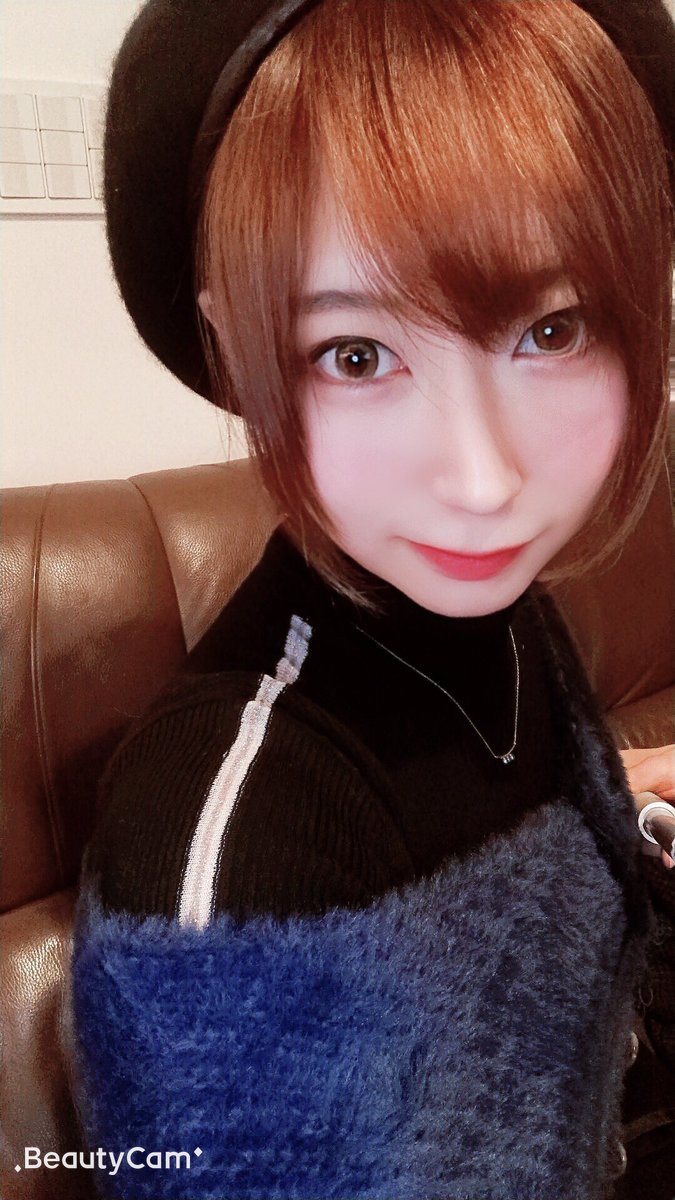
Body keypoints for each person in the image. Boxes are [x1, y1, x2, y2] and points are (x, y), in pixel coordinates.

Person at [69, 1, 675, 1197]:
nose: (484, 481)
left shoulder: (480, 611)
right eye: (357, 356)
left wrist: (623, 787)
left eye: (552, 329)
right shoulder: (235, 873)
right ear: (237, 351)